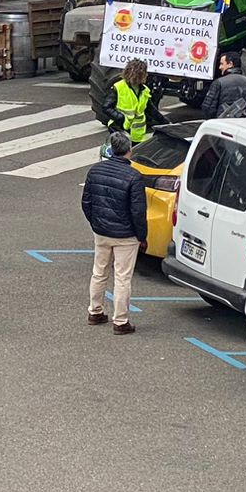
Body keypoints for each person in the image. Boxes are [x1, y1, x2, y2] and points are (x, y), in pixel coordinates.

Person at [82, 132, 148, 336]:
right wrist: (142, 236)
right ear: (129, 149)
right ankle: (120, 321)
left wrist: (96, 223)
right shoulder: (134, 176)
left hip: (101, 231)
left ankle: (95, 311)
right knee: (122, 277)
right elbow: (138, 211)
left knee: (99, 272)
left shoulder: (95, 170)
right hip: (125, 235)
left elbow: (86, 202)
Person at [199, 52, 246, 121]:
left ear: (230, 64)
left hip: (222, 125)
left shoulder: (218, 83)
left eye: (222, 64)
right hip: (244, 127)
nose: (220, 67)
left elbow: (207, 108)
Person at [109, 60, 153, 144]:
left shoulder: (144, 90)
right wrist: (120, 118)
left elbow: (151, 110)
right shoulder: (119, 87)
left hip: (137, 135)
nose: (147, 75)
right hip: (119, 129)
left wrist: (167, 123)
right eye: (145, 73)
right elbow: (106, 107)